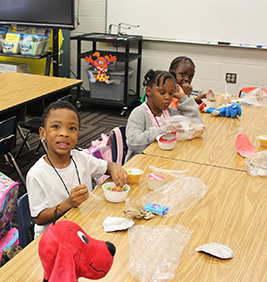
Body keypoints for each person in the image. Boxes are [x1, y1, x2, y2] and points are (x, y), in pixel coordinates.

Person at [26, 101, 128, 238]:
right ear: (43, 134)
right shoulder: (36, 174)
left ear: (77, 136)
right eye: (56, 127)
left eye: (72, 129)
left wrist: (115, 167)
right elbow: (39, 218)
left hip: (83, 225)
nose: (64, 133)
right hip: (53, 237)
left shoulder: (81, 158)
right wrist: (68, 203)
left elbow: (107, 167)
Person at [125, 69, 203, 162]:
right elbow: (133, 142)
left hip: (163, 160)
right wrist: (166, 129)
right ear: (148, 91)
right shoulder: (139, 113)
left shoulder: (169, 112)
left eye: (171, 93)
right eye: (162, 93)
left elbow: (196, 123)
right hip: (141, 163)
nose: (167, 97)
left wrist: (183, 98)